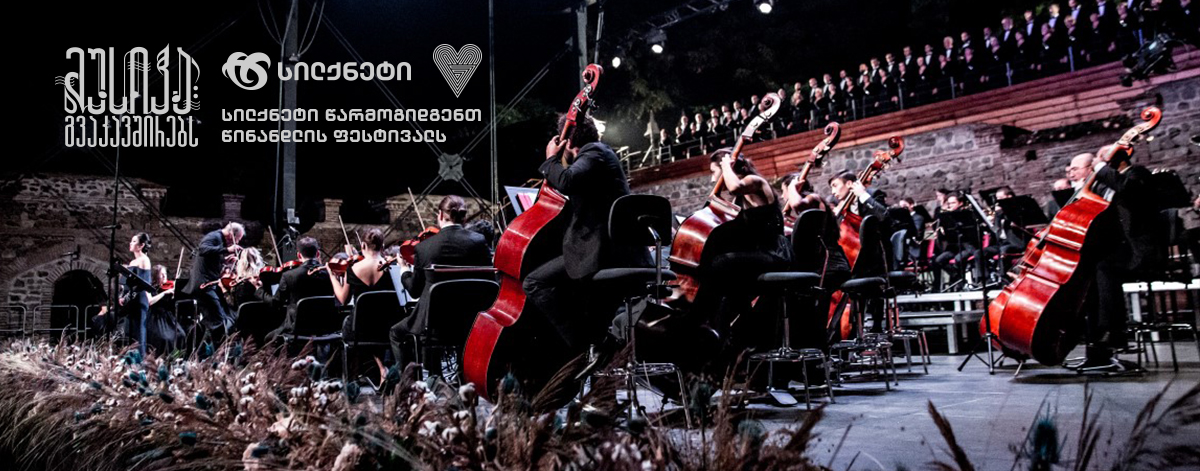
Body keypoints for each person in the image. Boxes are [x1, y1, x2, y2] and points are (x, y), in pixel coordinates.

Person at [524, 114, 651, 375]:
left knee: (535, 282)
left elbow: (568, 180)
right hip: (611, 250)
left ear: (568, 141)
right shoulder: (601, 156)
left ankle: (590, 347)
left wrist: (550, 159)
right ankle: (595, 346)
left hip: (606, 253)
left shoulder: (594, 152)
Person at [690, 149, 792, 355]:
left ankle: (698, 319)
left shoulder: (755, 181)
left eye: (714, 171)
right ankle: (734, 340)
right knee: (730, 291)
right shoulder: (742, 200)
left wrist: (726, 165)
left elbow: (734, 187)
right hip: (761, 257)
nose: (713, 179)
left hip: (775, 256)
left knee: (720, 265)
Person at [1076, 143, 1159, 370]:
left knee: (1104, 268)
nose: (1097, 161)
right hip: (1118, 251)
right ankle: (1095, 344)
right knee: (1090, 272)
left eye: (1101, 158)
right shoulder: (1106, 183)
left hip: (1140, 252)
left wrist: (1100, 168)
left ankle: (1113, 333)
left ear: (1116, 158)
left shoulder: (1137, 174)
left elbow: (1128, 190)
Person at [389, 195, 493, 372]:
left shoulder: (424, 248)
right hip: (470, 322)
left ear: (441, 215)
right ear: (464, 217)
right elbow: (488, 280)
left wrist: (404, 270)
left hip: (434, 325)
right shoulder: (479, 242)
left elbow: (414, 291)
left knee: (395, 333)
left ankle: (411, 381)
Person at [257, 236, 334, 344]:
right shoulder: (330, 274)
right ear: (318, 254)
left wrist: (259, 290)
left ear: (298, 255)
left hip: (297, 328)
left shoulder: (289, 275)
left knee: (268, 339)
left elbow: (275, 303)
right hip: (325, 326)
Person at [183, 222, 243, 347]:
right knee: (218, 320)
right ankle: (216, 352)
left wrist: (224, 260)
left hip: (208, 285)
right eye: (237, 239)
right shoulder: (214, 236)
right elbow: (203, 249)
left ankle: (199, 349)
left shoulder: (218, 239)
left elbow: (210, 259)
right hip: (204, 286)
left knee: (214, 319)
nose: (236, 243)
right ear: (231, 234)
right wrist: (227, 250)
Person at [931, 192, 980, 291]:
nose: (950, 206)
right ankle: (957, 277)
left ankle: (960, 282)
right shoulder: (946, 217)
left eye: (953, 203)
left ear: (960, 203)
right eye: (949, 203)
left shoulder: (967, 214)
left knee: (959, 259)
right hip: (954, 247)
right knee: (938, 260)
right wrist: (941, 232)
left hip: (967, 246)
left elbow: (972, 232)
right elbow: (947, 237)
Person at [121, 232, 153, 357]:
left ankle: (140, 359)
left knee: (139, 331)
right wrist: (122, 297)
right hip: (131, 300)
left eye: (134, 241)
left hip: (138, 299)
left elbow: (141, 284)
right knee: (129, 331)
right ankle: (130, 359)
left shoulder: (144, 260)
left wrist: (126, 297)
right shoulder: (133, 261)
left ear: (141, 245)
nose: (130, 243)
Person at [145, 264, 185, 354]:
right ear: (155, 276)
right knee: (165, 339)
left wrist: (175, 292)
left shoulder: (169, 287)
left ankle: (177, 356)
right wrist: (164, 293)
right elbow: (150, 302)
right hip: (155, 317)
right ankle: (162, 357)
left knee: (181, 334)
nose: (164, 276)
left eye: (165, 274)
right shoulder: (149, 288)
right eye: (161, 274)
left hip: (167, 317)